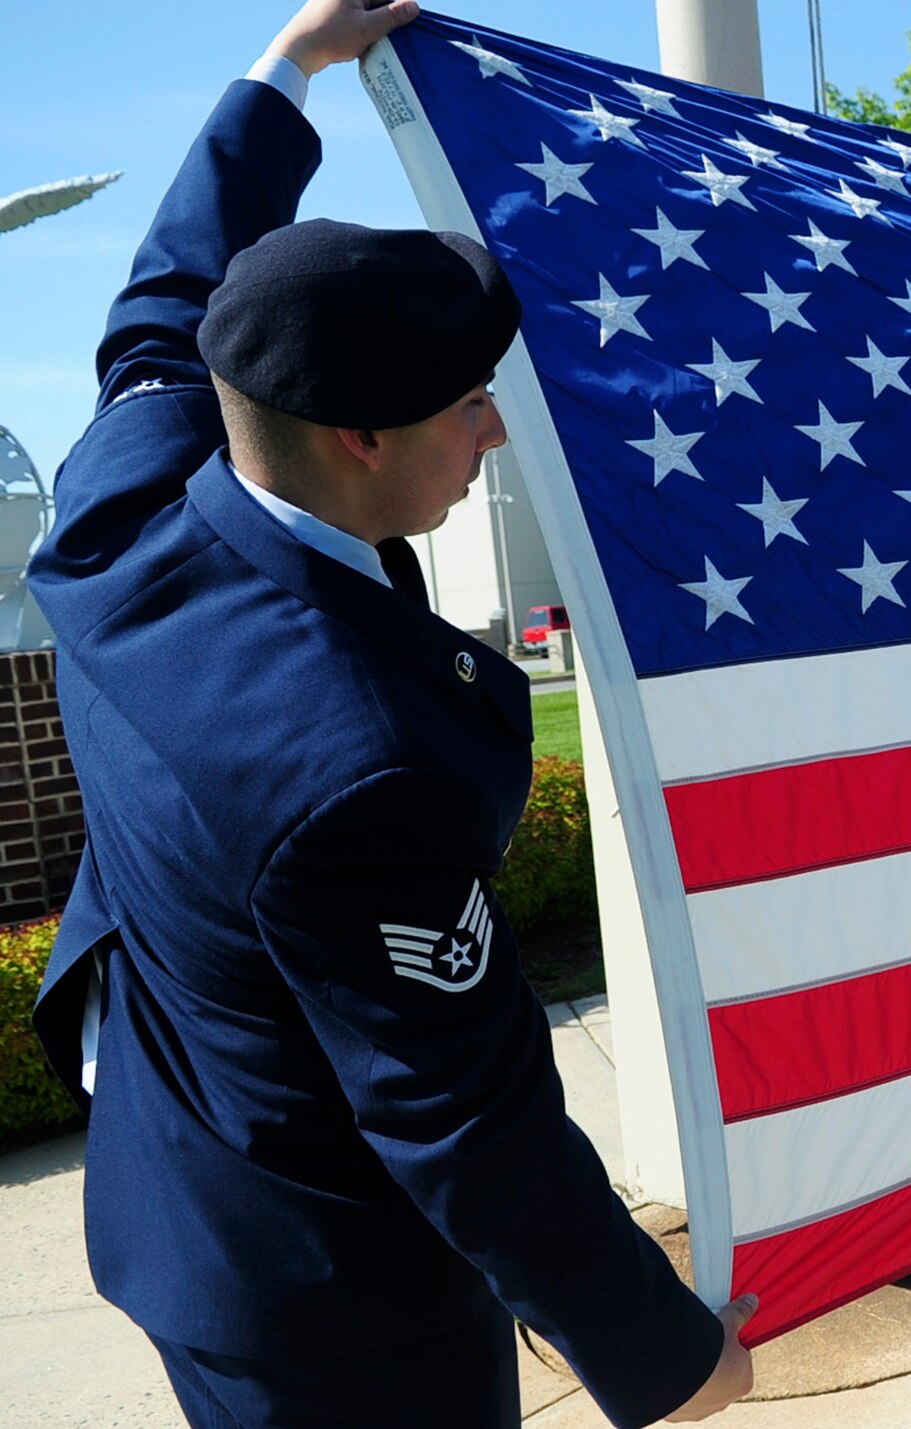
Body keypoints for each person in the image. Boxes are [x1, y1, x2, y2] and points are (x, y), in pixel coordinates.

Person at [27, 2, 754, 1423]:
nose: (495, 432)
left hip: (180, 1181)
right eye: (471, 402)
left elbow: (167, 295)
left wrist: (289, 65)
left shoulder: (121, 501)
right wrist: (662, 1353)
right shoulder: (356, 762)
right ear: (359, 436)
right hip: (334, 1312)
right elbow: (462, 1115)